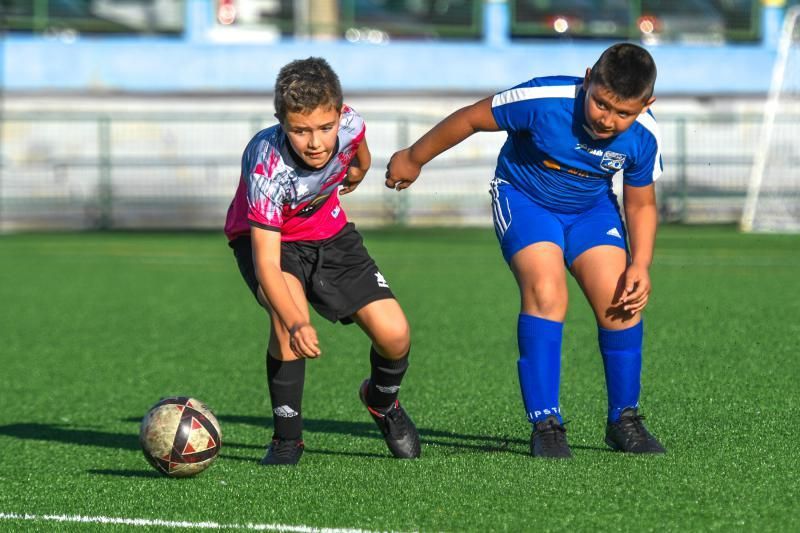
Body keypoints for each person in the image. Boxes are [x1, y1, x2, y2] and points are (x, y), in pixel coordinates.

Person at [385, 43, 666, 458]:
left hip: (590, 210)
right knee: (547, 292)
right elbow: (470, 119)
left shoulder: (645, 137)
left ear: (645, 105)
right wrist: (414, 157)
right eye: (601, 103)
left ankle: (624, 419)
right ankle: (546, 423)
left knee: (621, 302)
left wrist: (640, 264)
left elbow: (640, 202)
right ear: (587, 79)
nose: (608, 119)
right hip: (524, 199)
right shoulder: (541, 100)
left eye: (622, 112)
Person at [225, 57, 420, 465]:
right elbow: (266, 264)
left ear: (338, 114)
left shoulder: (349, 124)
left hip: (330, 233)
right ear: (281, 121)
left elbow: (359, 151)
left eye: (324, 128)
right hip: (270, 242)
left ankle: (382, 403)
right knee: (284, 322)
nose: (315, 142)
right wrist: (297, 321)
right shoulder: (266, 166)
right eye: (300, 130)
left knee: (395, 335)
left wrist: (360, 170)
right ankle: (287, 438)